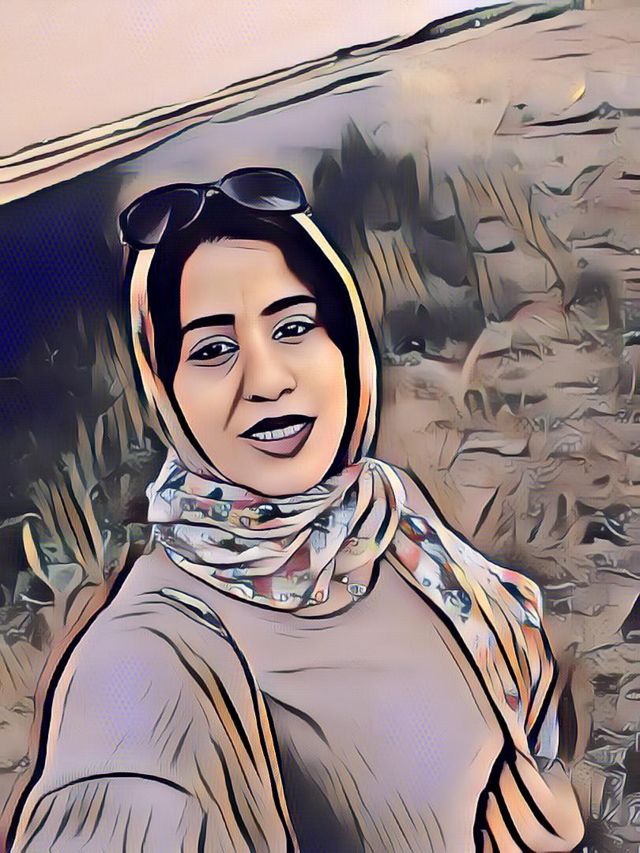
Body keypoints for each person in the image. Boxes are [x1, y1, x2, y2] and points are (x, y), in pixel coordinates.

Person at [7, 168, 584, 851]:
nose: (267, 379)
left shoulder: (388, 521)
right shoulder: (144, 661)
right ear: (165, 389)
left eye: (294, 326)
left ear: (345, 344)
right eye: (213, 349)